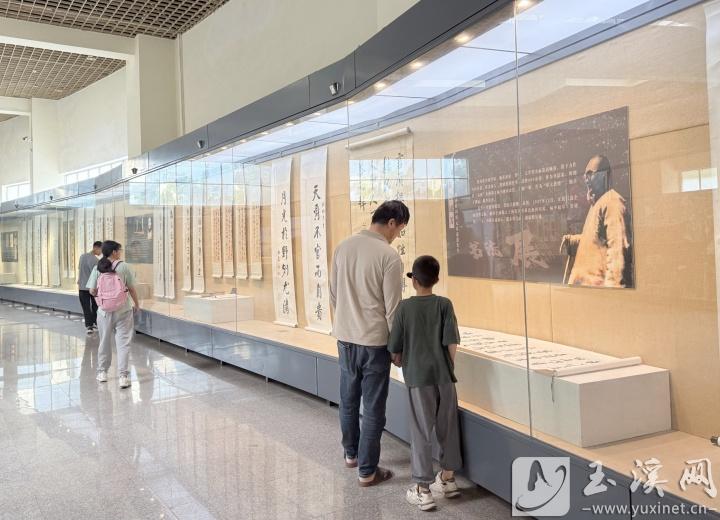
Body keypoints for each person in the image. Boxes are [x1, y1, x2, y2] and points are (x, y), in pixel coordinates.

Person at [329, 200, 410, 487]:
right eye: (399, 230)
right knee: (373, 408)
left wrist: (346, 322)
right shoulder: (388, 256)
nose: (397, 235)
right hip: (374, 342)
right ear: (392, 222)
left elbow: (334, 295)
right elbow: (393, 309)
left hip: (345, 338)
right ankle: (368, 471)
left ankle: (351, 454)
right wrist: (397, 346)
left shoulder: (343, 247)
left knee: (348, 400)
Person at [388, 255, 463, 511]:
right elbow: (451, 342)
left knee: (421, 431)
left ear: (414, 281)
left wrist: (399, 359)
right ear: (437, 279)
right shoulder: (445, 304)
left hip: (418, 379)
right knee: (448, 427)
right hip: (445, 377)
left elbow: (394, 347)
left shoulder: (405, 308)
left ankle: (423, 489)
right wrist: (447, 367)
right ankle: (449, 479)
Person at [560, 155, 632, 287]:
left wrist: (612, 292)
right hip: (587, 290)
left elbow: (617, 253)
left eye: (590, 174)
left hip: (597, 291)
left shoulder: (612, 203)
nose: (585, 179)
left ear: (605, 176)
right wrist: (574, 241)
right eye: (585, 175)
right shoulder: (599, 203)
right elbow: (598, 239)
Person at [87, 240, 140, 389]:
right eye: (119, 250)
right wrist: (137, 304)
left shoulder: (98, 267)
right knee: (123, 344)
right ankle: (123, 376)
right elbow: (131, 288)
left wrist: (101, 298)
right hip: (123, 310)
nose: (120, 253)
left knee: (104, 341)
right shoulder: (123, 266)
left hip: (104, 312)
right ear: (114, 252)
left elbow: (91, 290)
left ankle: (102, 372)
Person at [78, 241, 102, 335]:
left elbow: (79, 270)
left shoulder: (82, 256)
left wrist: (79, 280)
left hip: (82, 287)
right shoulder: (96, 260)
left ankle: (89, 326)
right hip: (93, 287)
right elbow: (97, 275)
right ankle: (95, 323)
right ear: (96, 248)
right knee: (95, 306)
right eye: (101, 250)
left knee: (86, 307)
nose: (101, 252)